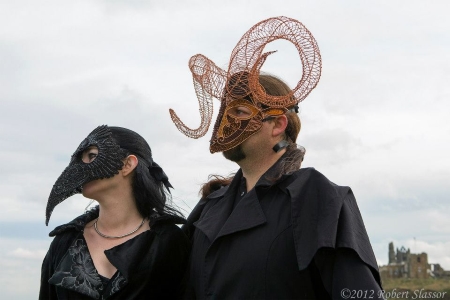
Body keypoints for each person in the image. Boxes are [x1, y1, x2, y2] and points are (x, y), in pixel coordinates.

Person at [170, 16, 384, 299]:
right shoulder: (209, 208)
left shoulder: (318, 198)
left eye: (240, 113)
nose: (224, 125)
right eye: (223, 114)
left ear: (277, 125)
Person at [39, 125, 190, 299]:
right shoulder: (66, 241)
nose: (82, 166)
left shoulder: (167, 241)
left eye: (92, 156)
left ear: (127, 164)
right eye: (81, 158)